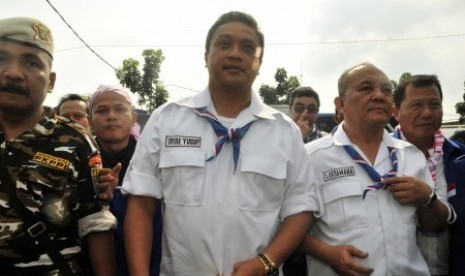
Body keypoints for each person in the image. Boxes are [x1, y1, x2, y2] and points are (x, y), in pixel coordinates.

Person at [122, 11, 317, 275]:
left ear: (259, 62)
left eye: (248, 48)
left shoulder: (284, 132)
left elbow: (300, 209)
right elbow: (141, 205)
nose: (235, 54)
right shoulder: (167, 119)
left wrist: (265, 262)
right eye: (224, 44)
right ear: (206, 56)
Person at [301, 63, 450, 275]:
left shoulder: (411, 156)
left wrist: (427, 198)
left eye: (386, 91)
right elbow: (283, 226)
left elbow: (434, 227)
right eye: (366, 88)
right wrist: (327, 253)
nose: (379, 96)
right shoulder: (310, 158)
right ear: (340, 103)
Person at [0, 17, 117, 275]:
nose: (13, 72)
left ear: (51, 81)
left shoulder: (76, 142)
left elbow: (95, 225)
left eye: (31, 62)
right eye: (1, 59)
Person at [392, 74, 464, 276]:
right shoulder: (378, 161)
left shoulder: (460, 159)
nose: (427, 113)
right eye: (416, 105)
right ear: (396, 112)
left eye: (434, 104)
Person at [89, 84, 162, 276]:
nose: (111, 116)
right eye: (102, 110)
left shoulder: (156, 159)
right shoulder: (79, 164)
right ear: (90, 121)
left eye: (120, 109)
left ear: (134, 118)